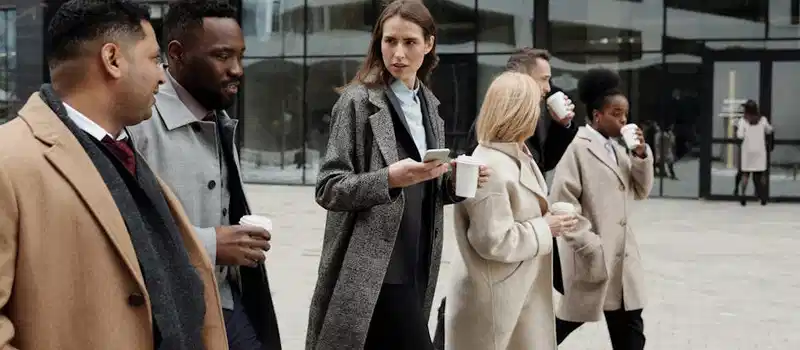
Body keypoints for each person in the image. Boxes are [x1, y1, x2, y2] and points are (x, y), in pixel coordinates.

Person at [0, 1, 227, 348]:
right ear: (112, 59)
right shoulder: (11, 159)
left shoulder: (124, 147)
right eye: (154, 59)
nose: (162, 76)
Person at [305, 1, 489, 349]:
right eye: (389, 41)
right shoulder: (357, 102)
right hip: (373, 266)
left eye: (409, 42)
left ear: (429, 44)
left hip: (419, 255)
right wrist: (388, 178)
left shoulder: (429, 105)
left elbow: (426, 187)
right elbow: (328, 188)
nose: (398, 53)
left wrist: (453, 184)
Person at [127, 1, 281, 349]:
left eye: (240, 56)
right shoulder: (138, 124)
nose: (237, 69)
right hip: (167, 316)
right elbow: (120, 227)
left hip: (226, 300)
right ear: (176, 54)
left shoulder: (218, 118)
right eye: (222, 56)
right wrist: (211, 244)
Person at [434, 47, 577, 349]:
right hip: (496, 301)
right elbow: (492, 240)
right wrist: (545, 227)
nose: (546, 95)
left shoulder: (519, 153)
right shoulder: (491, 163)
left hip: (517, 292)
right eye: (534, 103)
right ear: (518, 110)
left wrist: (551, 215)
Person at [549, 68, 654, 349]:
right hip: (593, 257)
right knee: (559, 327)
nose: (623, 120)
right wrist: (589, 243)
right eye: (616, 113)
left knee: (631, 330)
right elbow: (562, 203)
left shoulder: (618, 150)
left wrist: (640, 155)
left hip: (622, 262)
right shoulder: (577, 148)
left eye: (625, 114)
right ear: (597, 115)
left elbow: (641, 190)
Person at [734, 100, 773, 206]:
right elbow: (769, 130)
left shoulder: (743, 121)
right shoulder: (762, 120)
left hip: (747, 150)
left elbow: (740, 136)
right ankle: (763, 197)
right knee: (761, 174)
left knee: (745, 174)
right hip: (760, 150)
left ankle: (743, 196)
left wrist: (736, 128)